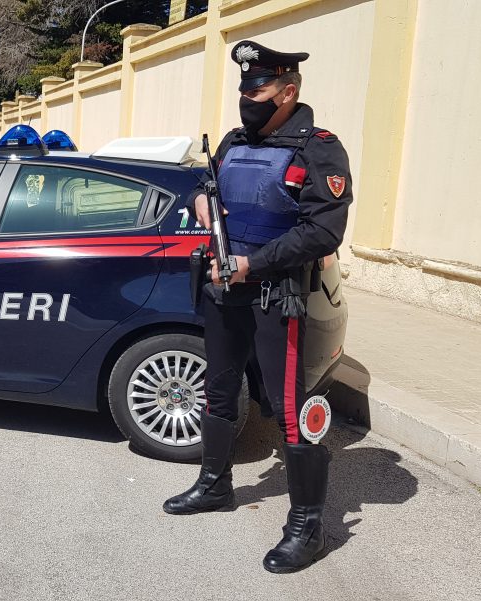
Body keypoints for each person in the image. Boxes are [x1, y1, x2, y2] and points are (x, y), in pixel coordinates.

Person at [163, 40, 353, 574]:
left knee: (289, 407)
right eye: (244, 87)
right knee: (219, 388)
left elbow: (323, 230)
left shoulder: (319, 149)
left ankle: (308, 526)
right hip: (225, 289)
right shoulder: (231, 142)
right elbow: (210, 194)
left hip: (278, 295)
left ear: (288, 92)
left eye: (259, 87)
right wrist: (200, 203)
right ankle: (213, 484)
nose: (248, 96)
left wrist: (255, 264)